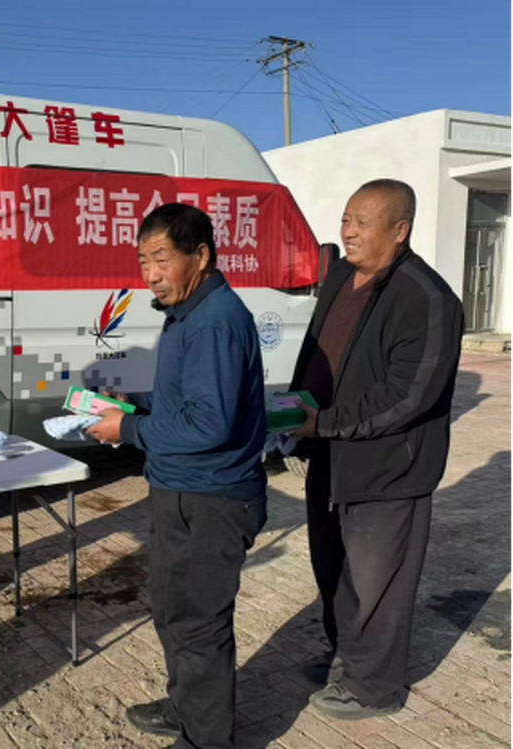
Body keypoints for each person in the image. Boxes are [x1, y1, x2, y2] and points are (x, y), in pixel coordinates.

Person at [89, 203, 268, 749]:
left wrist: (128, 429)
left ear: (202, 255)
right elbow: (187, 399)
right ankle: (186, 708)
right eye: (143, 261)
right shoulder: (188, 312)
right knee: (172, 610)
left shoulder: (214, 321)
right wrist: (135, 402)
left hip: (211, 497)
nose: (151, 274)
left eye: (162, 259)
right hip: (180, 489)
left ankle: (206, 739)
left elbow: (209, 424)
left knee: (199, 623)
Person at [289, 179, 463, 719]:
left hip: (388, 468)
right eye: (346, 219)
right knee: (332, 569)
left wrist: (324, 423)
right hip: (330, 454)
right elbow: (317, 354)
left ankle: (375, 688)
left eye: (362, 223)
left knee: (377, 585)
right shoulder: (342, 276)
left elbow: (408, 397)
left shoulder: (427, 299)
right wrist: (294, 412)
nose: (348, 231)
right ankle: (347, 657)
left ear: (400, 229)